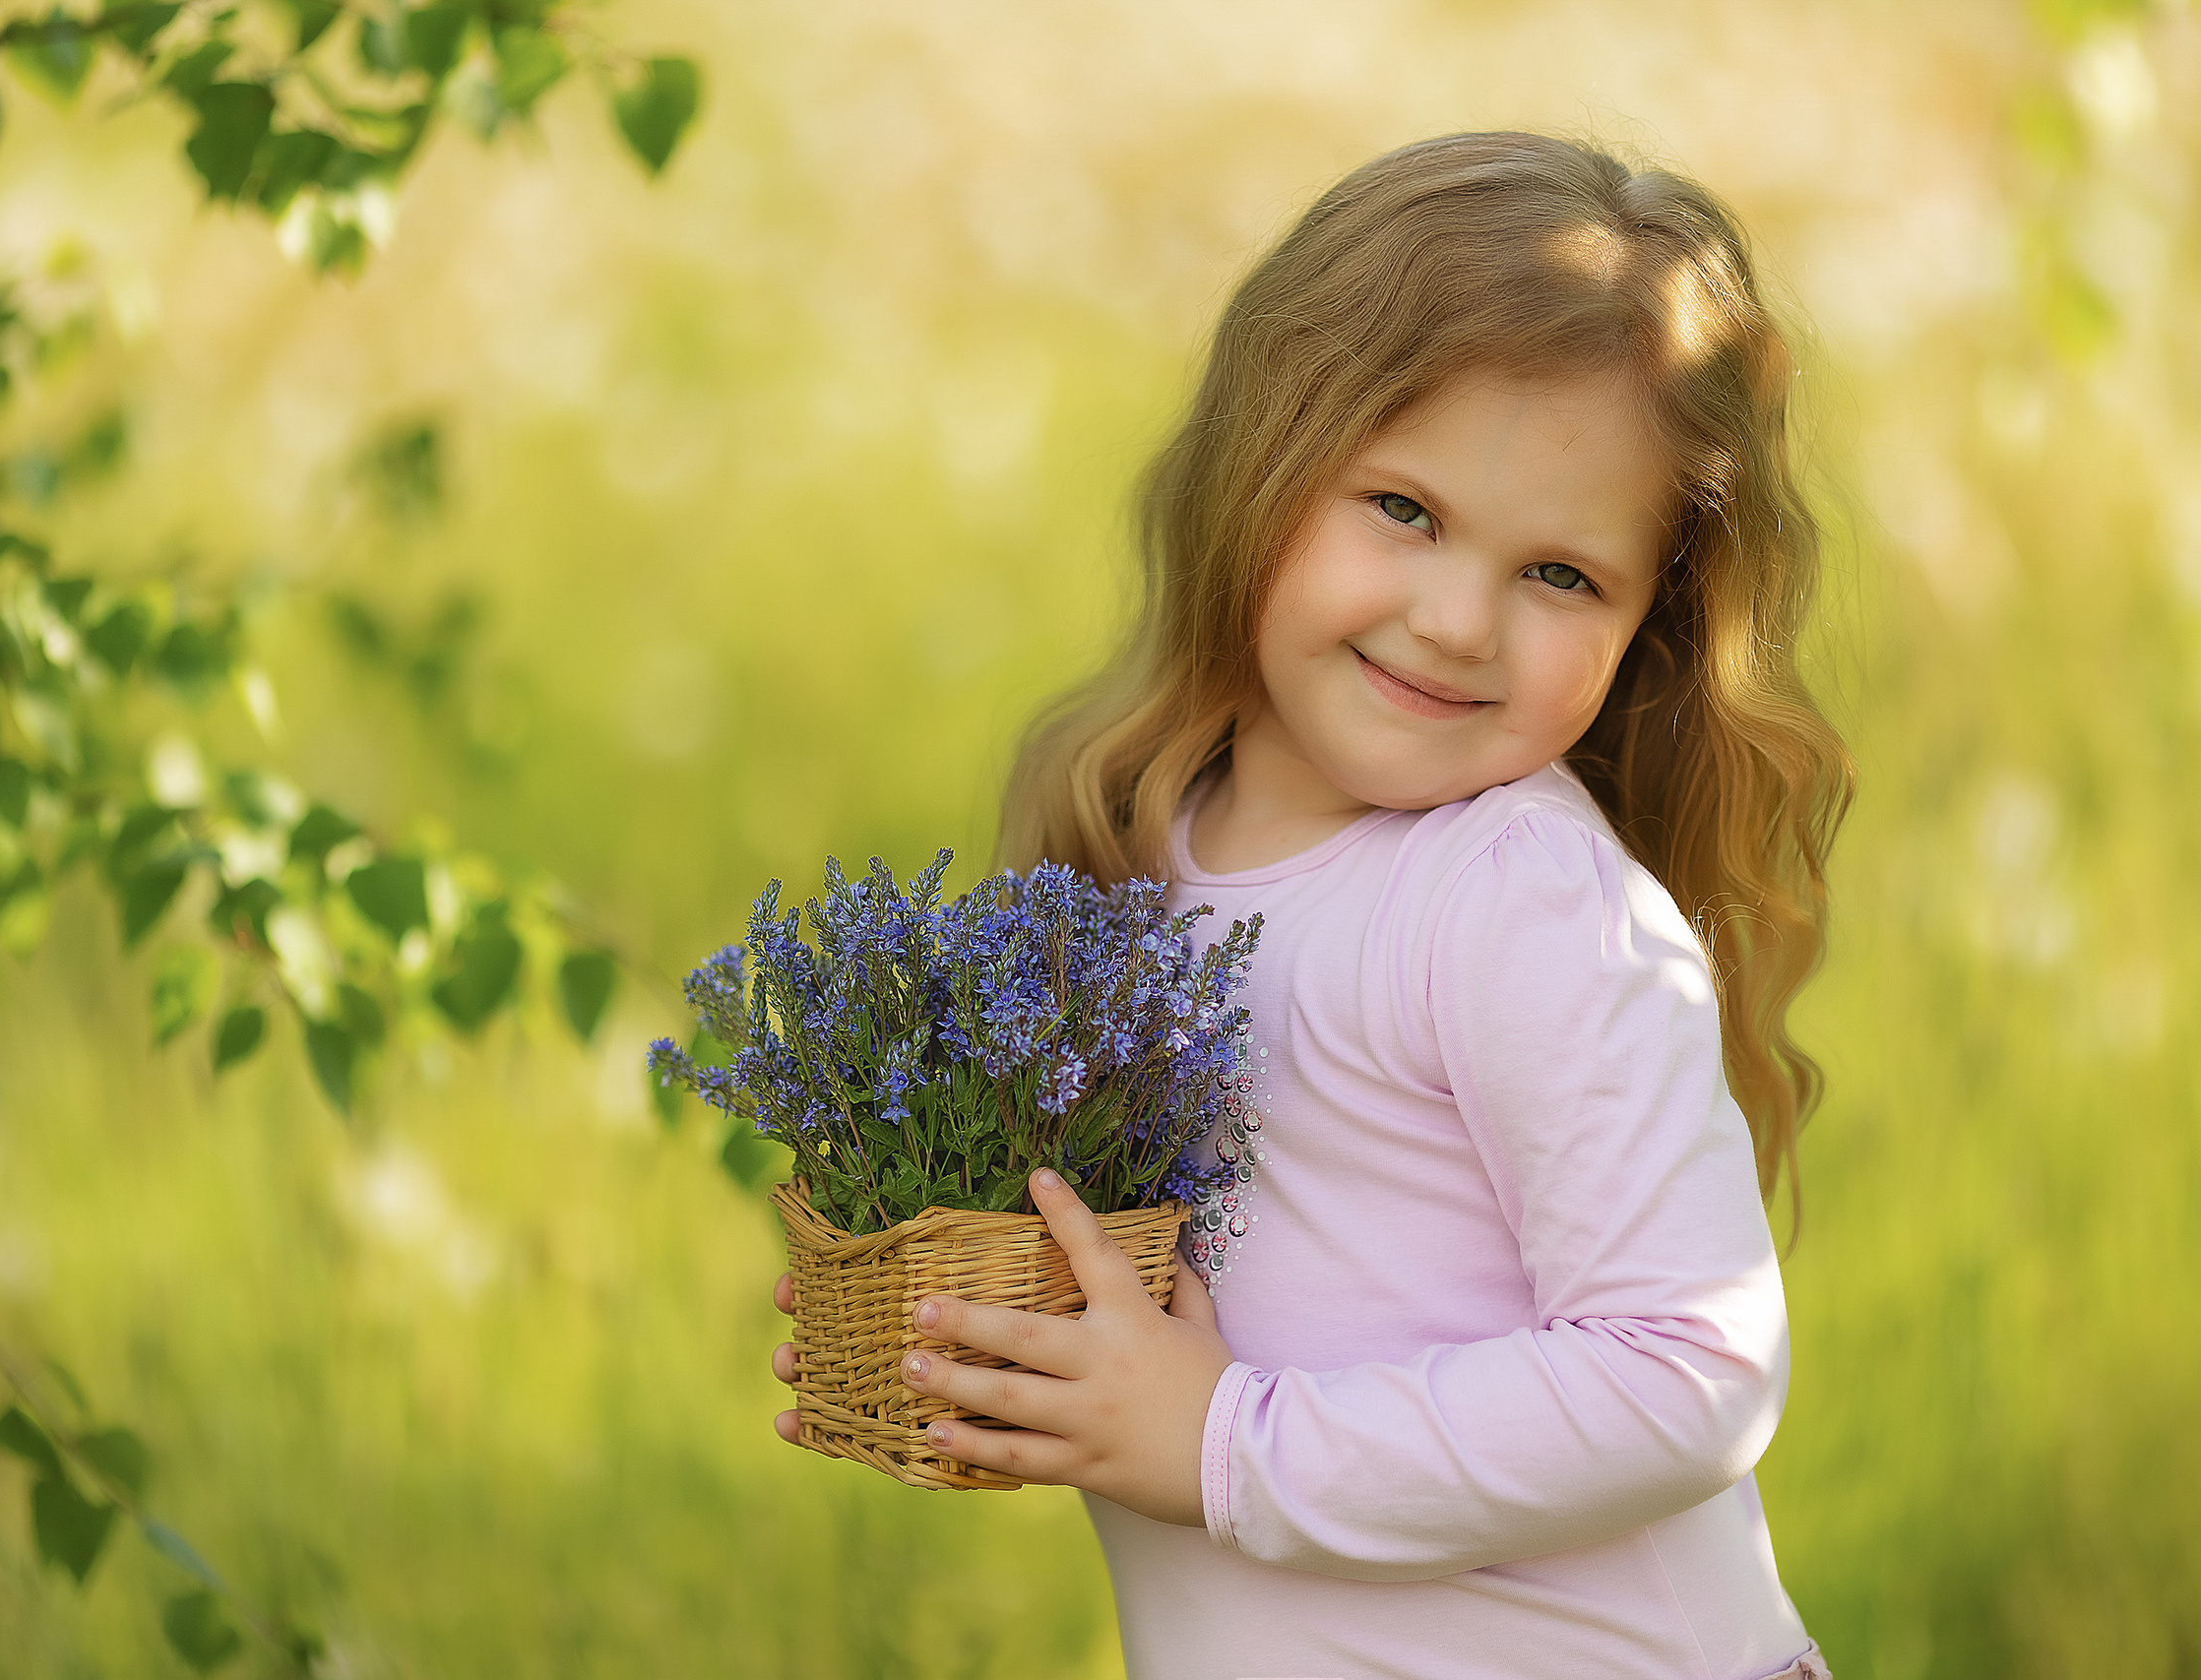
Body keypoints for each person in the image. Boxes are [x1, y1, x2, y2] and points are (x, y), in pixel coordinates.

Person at [769, 130, 1852, 1680]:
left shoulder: (1514, 895)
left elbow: (1693, 1371)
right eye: (1402, 510)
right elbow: (1184, 1335)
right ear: (1262, 466)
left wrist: (1227, 1441)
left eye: (1561, 576)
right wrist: (981, 1350)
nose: (1456, 620)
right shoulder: (1145, 848)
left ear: (1649, 620)